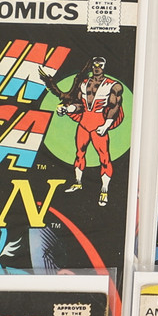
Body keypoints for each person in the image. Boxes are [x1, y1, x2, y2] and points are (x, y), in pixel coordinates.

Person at [38, 57, 124, 206]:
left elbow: (114, 106)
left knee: (104, 158)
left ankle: (104, 190)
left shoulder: (113, 86)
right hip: (84, 124)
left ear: (104, 66)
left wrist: (106, 125)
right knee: (79, 153)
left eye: (100, 64)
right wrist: (68, 109)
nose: (97, 67)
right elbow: (80, 105)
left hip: (99, 125)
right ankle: (78, 182)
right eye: (94, 64)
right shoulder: (83, 83)